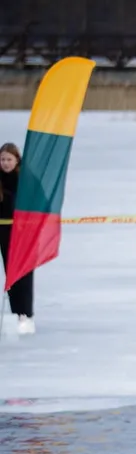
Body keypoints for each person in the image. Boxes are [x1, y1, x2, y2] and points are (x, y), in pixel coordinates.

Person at [0, 142, 35, 336]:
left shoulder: (25, 179)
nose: (5, 163)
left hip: (22, 232)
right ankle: (15, 313)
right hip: (4, 231)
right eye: (2, 159)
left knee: (23, 272)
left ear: (16, 160)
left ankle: (26, 314)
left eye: (9, 160)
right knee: (10, 273)